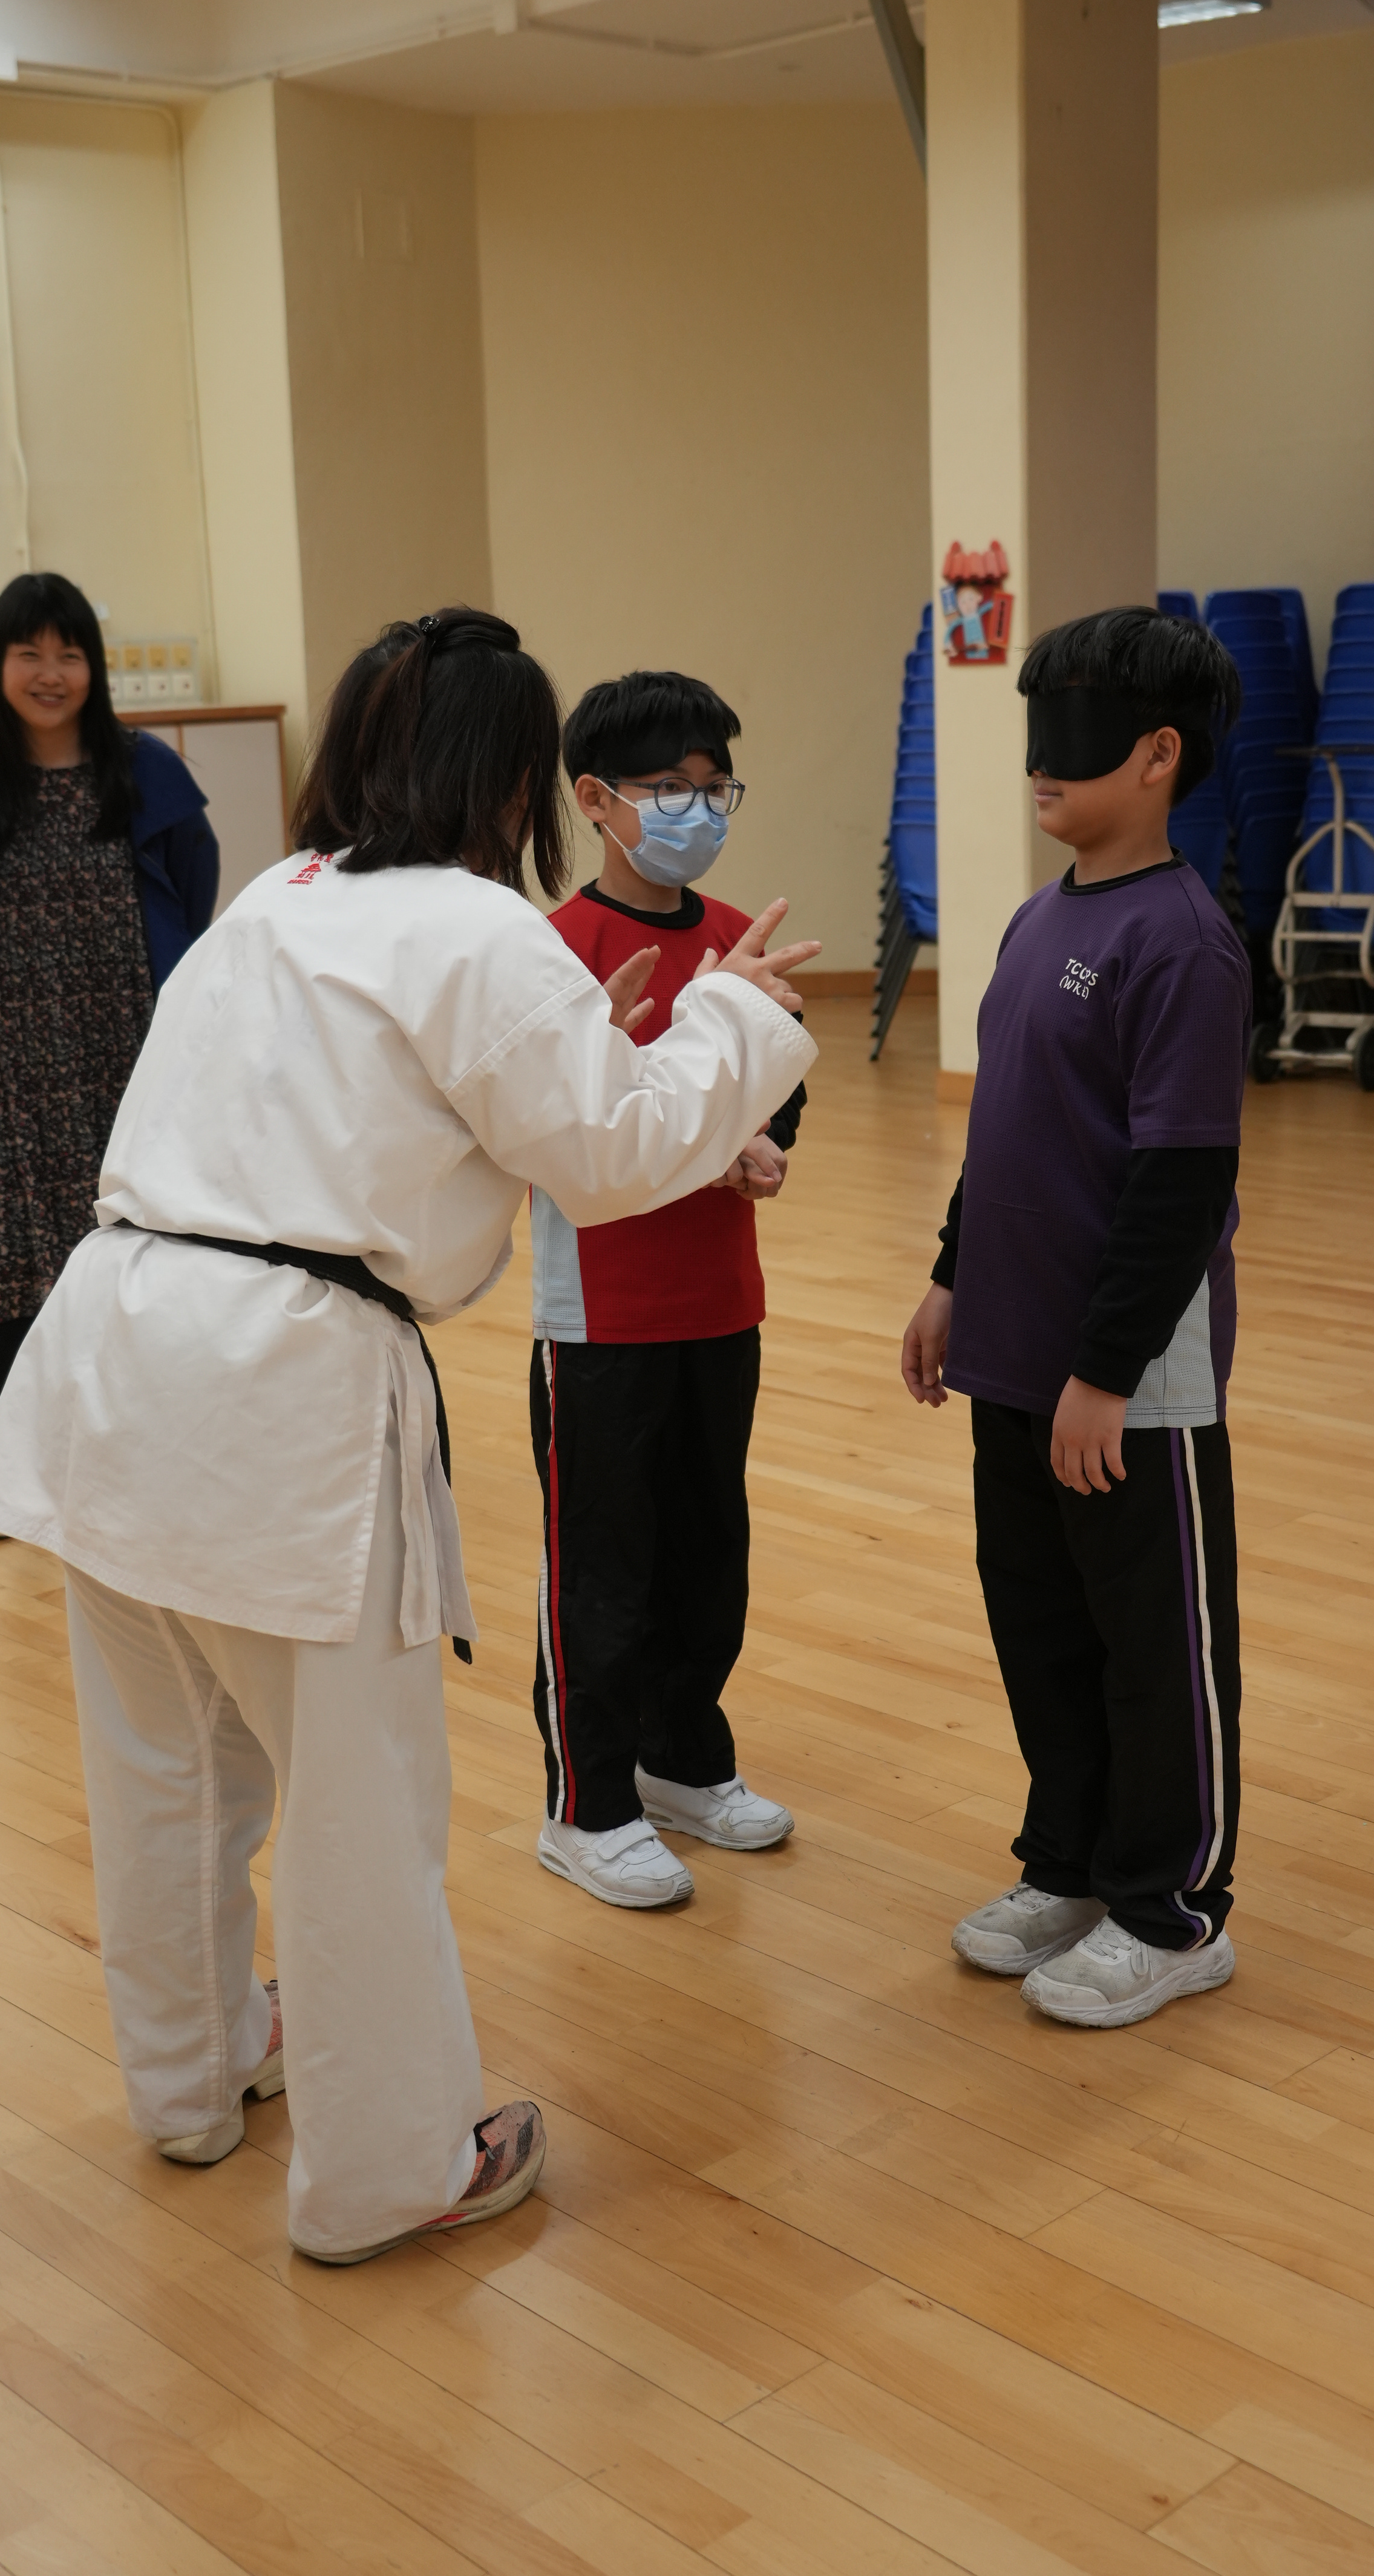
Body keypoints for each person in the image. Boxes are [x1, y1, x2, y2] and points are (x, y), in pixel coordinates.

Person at [0, 607, 818, 2264]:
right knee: (356, 1806)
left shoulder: (277, 901)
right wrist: (734, 1015)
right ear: (515, 776)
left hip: (118, 1350)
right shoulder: (476, 924)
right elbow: (617, 1155)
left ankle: (193, 2080)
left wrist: (589, 1042)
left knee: (166, 1770)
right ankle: (390, 2170)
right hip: (275, 1386)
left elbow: (417, 1111)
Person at [901, 606, 1249, 2030]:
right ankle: (1074, 1862)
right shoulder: (1037, 919)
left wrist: (1105, 1372)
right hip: (1011, 1349)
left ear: (1158, 755)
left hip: (1126, 1375)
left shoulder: (1186, 943)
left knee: (1154, 1643)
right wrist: (951, 1275)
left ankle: (1171, 1909)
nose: (1043, 760)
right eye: (1034, 728)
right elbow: (1008, 1129)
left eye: (1077, 731)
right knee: (1042, 1626)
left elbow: (1182, 1184)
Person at [529, 670, 808, 1911]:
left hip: (721, 1303)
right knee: (604, 1567)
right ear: (597, 800)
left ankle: (685, 1762)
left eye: (715, 788)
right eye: (668, 789)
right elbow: (548, 1128)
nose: (698, 809)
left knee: (707, 1552)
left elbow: (773, 1088)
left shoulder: (738, 934)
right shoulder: (550, 953)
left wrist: (763, 1138)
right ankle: (587, 1806)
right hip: (600, 1318)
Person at [0, 571, 217, 1415]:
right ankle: (26, 1456)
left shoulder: (145, 769)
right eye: (30, 653)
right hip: (13, 1076)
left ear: (95, 667)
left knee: (142, 1254)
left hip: (127, 1058)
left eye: (70, 654)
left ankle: (144, 1437)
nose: (50, 673)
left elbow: (194, 888)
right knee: (13, 1267)